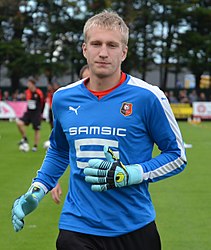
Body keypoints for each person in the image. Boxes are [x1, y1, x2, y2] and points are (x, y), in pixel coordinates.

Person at [12, 10, 187, 250]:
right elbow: (59, 151)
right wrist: (37, 188)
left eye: (112, 45)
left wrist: (132, 173)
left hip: (134, 228)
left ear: (124, 52)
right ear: (85, 49)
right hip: (77, 228)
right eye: (96, 44)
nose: (103, 52)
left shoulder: (149, 97)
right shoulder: (63, 98)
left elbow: (177, 156)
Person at [50, 66, 90, 204]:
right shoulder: (68, 110)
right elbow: (59, 151)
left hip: (124, 208)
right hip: (78, 206)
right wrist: (52, 179)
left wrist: (135, 173)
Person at [16, 78, 44, 152]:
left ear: (33, 84)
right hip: (28, 113)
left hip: (36, 114)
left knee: (36, 130)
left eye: (29, 83)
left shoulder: (39, 92)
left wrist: (41, 113)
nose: (28, 85)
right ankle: (25, 138)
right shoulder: (27, 92)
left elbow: (42, 103)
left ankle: (35, 146)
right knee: (19, 123)